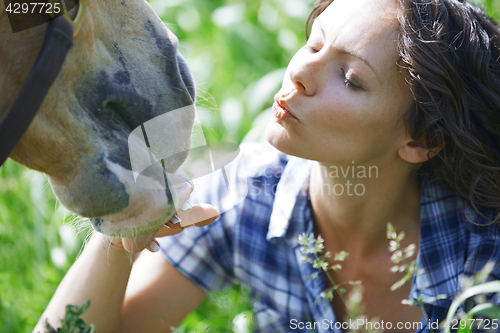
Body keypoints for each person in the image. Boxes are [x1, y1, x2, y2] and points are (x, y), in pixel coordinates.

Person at [35, 0, 500, 332]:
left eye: (351, 78)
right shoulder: (244, 195)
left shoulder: (484, 251)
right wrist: (120, 235)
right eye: (314, 44)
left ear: (422, 140)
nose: (300, 71)